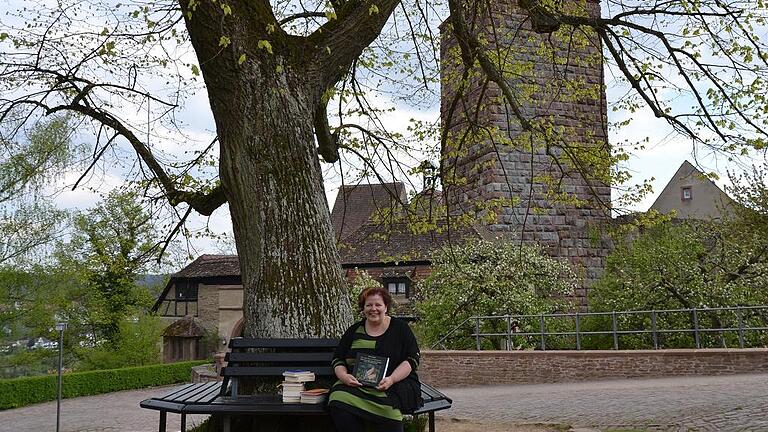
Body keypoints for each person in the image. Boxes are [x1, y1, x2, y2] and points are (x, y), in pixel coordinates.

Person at [328, 286, 422, 432]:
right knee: (337, 400)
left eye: (378, 304)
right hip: (355, 387)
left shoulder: (400, 328)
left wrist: (391, 379)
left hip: (389, 387)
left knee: (391, 418)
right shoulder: (354, 330)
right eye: (369, 305)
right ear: (363, 308)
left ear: (386, 307)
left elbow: (412, 359)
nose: (373, 309)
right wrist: (344, 377)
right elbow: (338, 359)